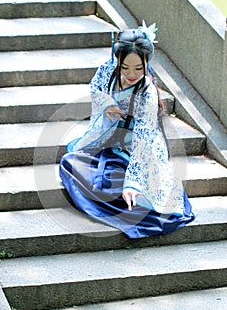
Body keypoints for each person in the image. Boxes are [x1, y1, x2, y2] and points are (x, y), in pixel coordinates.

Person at [59, 21, 195, 239]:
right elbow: (95, 87)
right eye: (125, 67)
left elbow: (142, 139)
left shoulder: (147, 94)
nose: (131, 74)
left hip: (137, 149)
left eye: (139, 68)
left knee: (130, 192)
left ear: (146, 64)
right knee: (70, 161)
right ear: (118, 61)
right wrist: (105, 102)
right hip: (108, 138)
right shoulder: (108, 68)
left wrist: (132, 183)